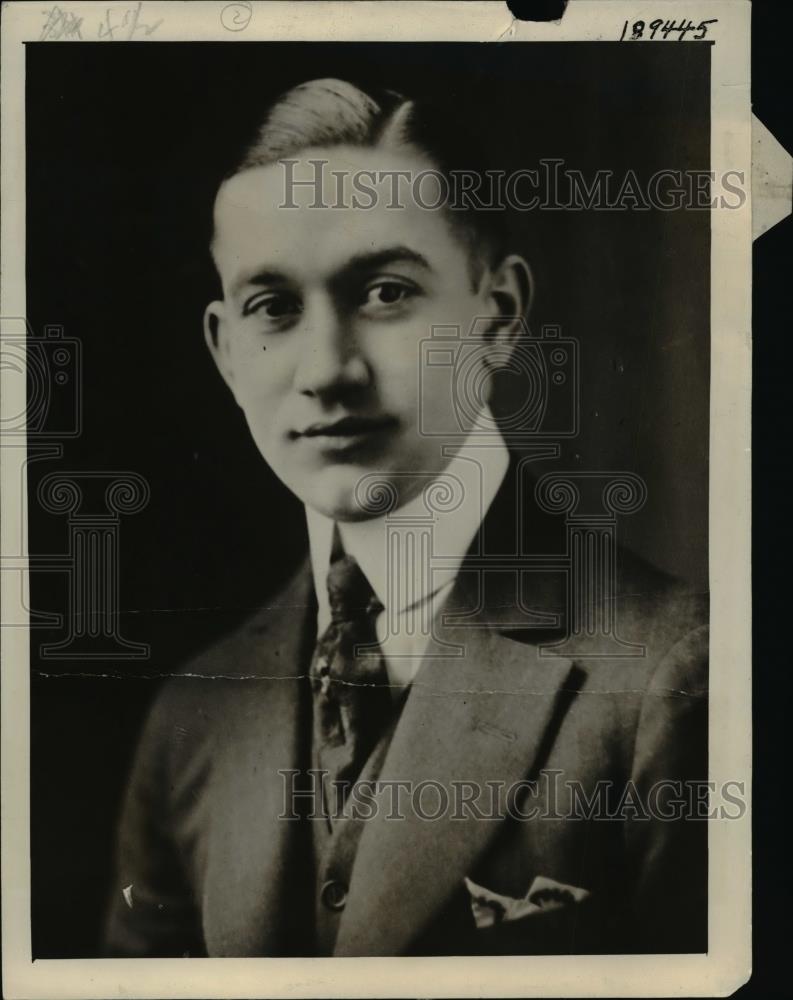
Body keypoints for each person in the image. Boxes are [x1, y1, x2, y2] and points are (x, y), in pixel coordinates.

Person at [103, 78, 707, 958]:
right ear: (224, 350)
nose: (326, 370)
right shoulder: (191, 716)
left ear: (497, 315)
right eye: (271, 308)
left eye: (384, 292)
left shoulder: (672, 677)